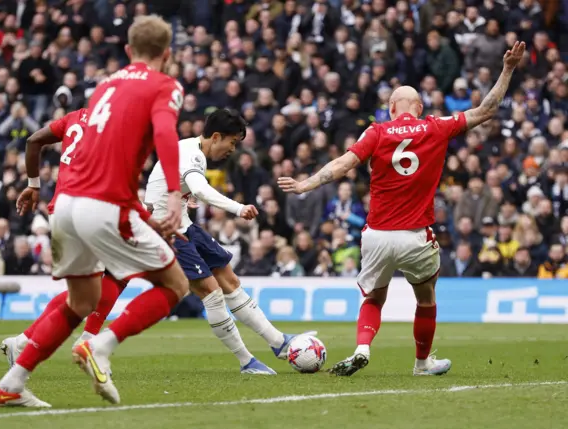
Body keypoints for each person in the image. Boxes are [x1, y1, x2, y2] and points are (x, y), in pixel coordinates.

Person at [279, 41, 527, 377]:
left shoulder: (377, 132)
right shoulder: (436, 127)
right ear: (420, 107)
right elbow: (486, 109)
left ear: (392, 107)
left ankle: (362, 348)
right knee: (425, 299)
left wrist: (306, 184)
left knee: (373, 300)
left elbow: (344, 164)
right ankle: (422, 364)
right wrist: (508, 68)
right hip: (415, 236)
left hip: (377, 235)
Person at [0, 15, 189, 407]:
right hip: (106, 205)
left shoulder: (105, 86)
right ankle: (100, 345)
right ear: (167, 54)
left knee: (80, 302)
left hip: (65, 205)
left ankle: (11, 383)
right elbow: (165, 134)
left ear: (129, 51)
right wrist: (175, 195)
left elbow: (91, 154)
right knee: (175, 286)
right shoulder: (165, 85)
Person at [145, 108, 313, 374]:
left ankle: (278, 342)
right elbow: (199, 188)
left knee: (230, 282)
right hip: (165, 232)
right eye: (232, 142)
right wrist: (238, 208)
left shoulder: (189, 148)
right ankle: (247, 361)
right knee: (212, 294)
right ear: (215, 136)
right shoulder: (193, 154)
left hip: (183, 226)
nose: (233, 149)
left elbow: (179, 188)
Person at [0, 108, 126, 376]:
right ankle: (86, 341)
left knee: (85, 292)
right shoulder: (115, 123)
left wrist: (33, 185)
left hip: (61, 210)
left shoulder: (74, 117)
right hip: (88, 209)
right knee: (116, 273)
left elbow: (33, 140)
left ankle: (21, 344)